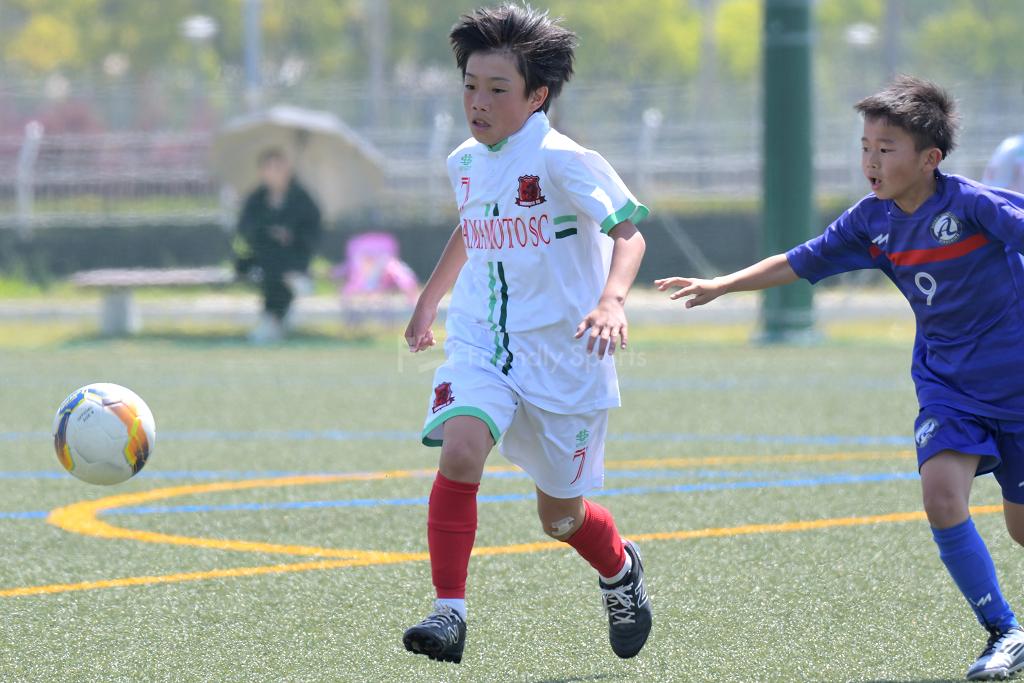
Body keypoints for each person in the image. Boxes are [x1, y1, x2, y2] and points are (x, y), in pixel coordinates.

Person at [656, 75, 1024, 681]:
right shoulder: (872, 221)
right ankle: (1004, 630)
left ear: (929, 159)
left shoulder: (973, 205)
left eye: (886, 149)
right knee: (941, 496)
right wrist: (722, 284)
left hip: (1016, 386)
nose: (871, 161)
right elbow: (801, 259)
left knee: (1020, 528)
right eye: (865, 147)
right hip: (949, 388)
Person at [402, 4, 651, 665]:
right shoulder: (464, 160)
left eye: (496, 90)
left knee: (560, 517)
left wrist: (612, 301)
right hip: (482, 343)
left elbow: (629, 233)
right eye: (469, 86)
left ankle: (620, 568)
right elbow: (471, 226)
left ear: (537, 96)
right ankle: (448, 611)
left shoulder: (565, 160)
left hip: (565, 357)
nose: (477, 103)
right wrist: (430, 299)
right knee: (460, 449)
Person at [234, 148, 322, 343]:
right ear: (262, 172)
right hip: (263, 255)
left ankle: (271, 320)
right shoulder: (256, 199)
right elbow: (246, 228)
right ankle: (276, 318)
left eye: (279, 168)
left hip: (293, 256)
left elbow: (312, 230)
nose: (275, 173)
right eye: (270, 168)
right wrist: (269, 232)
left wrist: (291, 235)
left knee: (275, 271)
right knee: (274, 268)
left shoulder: (302, 199)